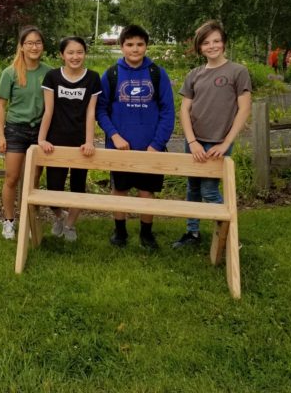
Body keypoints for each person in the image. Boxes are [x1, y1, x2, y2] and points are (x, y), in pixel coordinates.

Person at [173, 20, 252, 248]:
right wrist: (192, 141)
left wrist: (226, 142)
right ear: (200, 47)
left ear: (224, 43)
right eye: (206, 43)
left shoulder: (238, 71)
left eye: (216, 41)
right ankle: (192, 233)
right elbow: (184, 110)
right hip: (195, 143)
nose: (212, 46)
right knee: (193, 188)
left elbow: (244, 108)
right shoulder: (194, 75)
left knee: (209, 190)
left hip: (219, 144)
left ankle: (228, 234)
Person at [96, 24, 175, 249]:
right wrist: (115, 136)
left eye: (140, 44)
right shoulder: (111, 74)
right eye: (129, 44)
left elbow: (168, 111)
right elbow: (100, 110)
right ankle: (120, 232)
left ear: (146, 46)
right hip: (120, 148)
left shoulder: (157, 74)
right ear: (122, 47)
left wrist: (157, 144)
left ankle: (146, 234)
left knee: (146, 191)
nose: (135, 49)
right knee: (119, 190)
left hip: (150, 148)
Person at [37, 36, 101, 242]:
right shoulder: (52, 77)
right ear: (62, 55)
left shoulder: (92, 78)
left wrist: (89, 141)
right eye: (70, 52)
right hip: (55, 142)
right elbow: (48, 110)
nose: (75, 57)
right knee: (53, 189)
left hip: (81, 143)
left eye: (79, 52)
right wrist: (42, 139)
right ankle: (59, 216)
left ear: (85, 53)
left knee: (78, 187)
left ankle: (70, 225)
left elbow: (91, 112)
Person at [0, 26, 51, 240]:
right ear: (22, 46)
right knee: (12, 177)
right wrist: (1, 135)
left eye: (38, 42)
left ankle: (29, 220)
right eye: (29, 43)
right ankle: (9, 221)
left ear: (42, 46)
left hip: (39, 132)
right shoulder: (10, 73)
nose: (34, 47)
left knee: (33, 180)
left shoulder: (49, 72)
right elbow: (0, 105)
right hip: (16, 130)